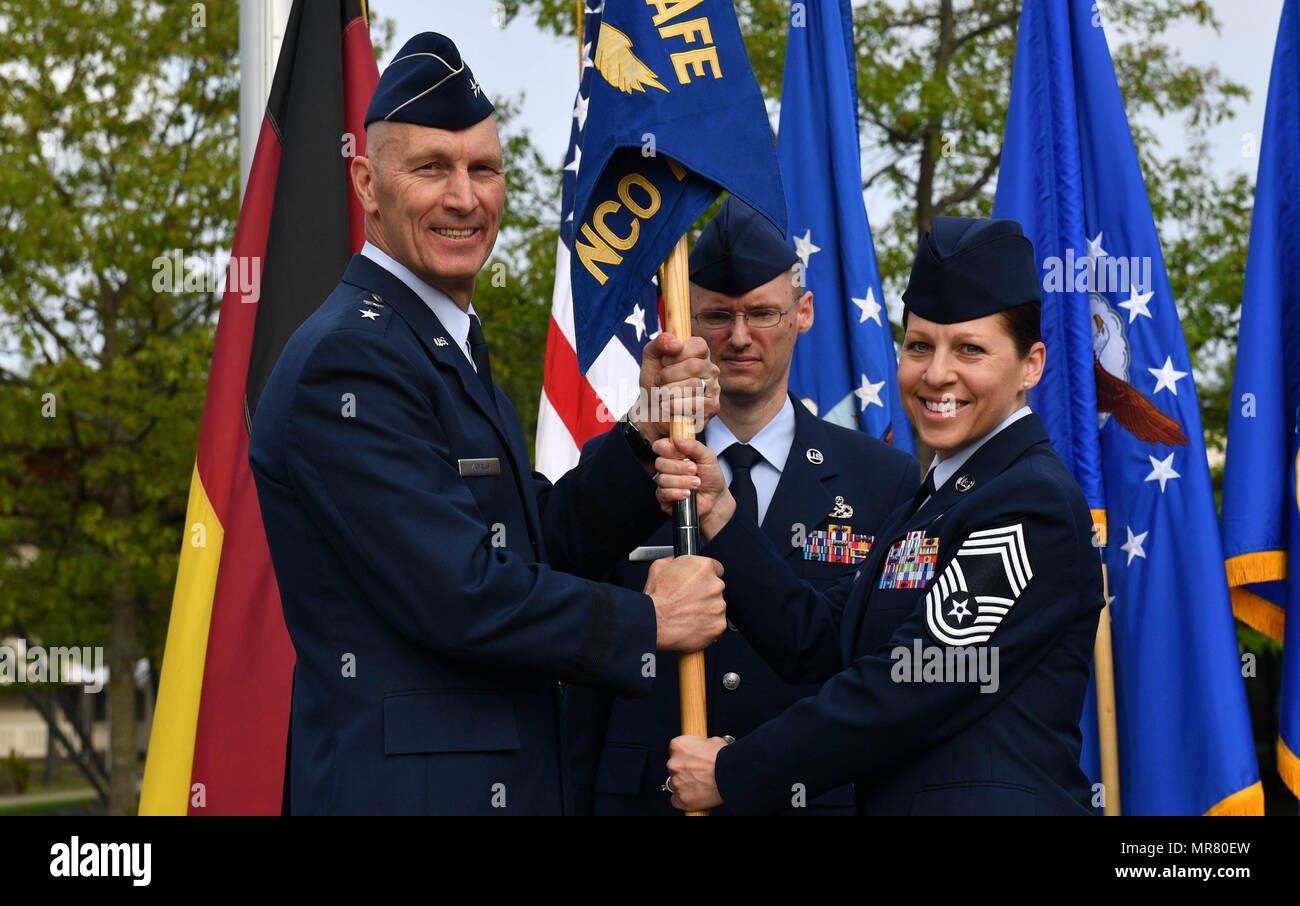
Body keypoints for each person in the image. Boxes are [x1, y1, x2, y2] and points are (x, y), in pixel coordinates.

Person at [248, 33, 728, 816]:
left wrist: (642, 438)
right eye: (431, 168)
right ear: (366, 183)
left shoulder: (434, 341)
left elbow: (531, 540)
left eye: (484, 169)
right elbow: (459, 591)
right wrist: (648, 620)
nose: (464, 198)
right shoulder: (352, 360)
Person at [657, 217, 1104, 815]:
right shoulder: (939, 499)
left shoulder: (1028, 502)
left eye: (970, 349)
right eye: (919, 346)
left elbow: (913, 681)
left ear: (1031, 365)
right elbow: (818, 640)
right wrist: (718, 512)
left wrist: (734, 771)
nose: (937, 374)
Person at [563, 197, 919, 815]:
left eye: (762, 313)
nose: (739, 336)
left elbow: (880, 676)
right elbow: (576, 637)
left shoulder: (884, 479)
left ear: (803, 312)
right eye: (717, 316)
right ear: (683, 318)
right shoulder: (630, 464)